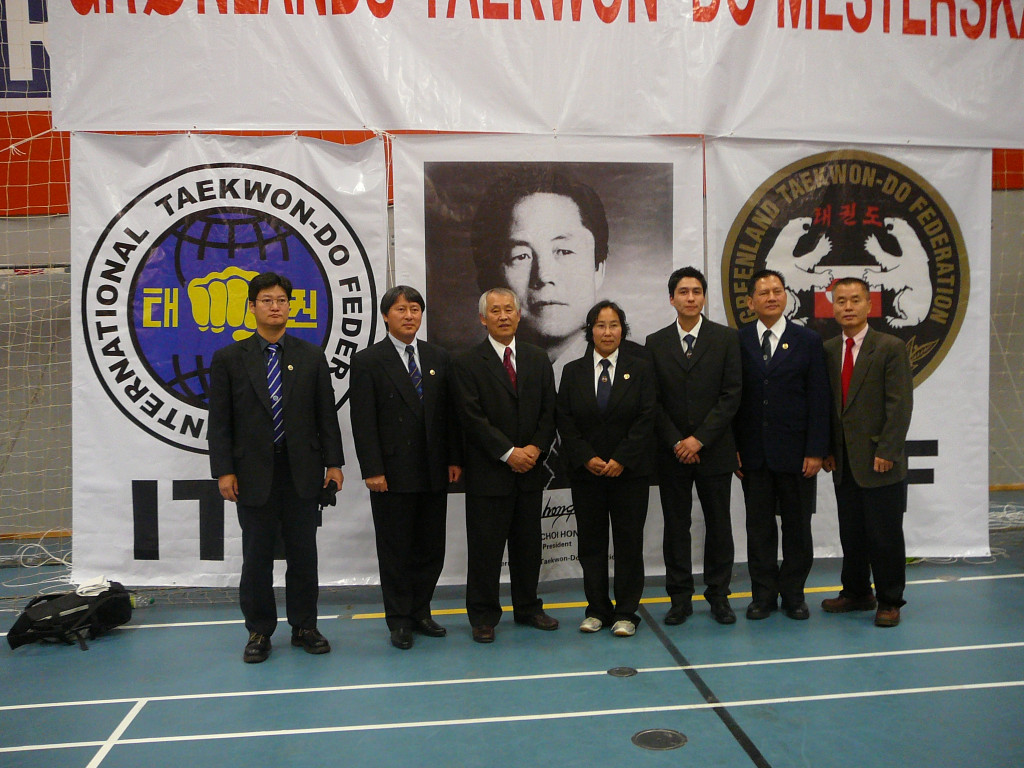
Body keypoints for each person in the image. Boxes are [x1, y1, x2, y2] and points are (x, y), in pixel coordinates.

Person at [208, 271, 344, 664]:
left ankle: (305, 626)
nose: (275, 307)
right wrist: (224, 470)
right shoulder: (229, 359)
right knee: (257, 557)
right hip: (252, 475)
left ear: (290, 307)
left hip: (302, 472)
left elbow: (326, 416)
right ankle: (259, 630)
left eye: (282, 300)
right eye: (267, 300)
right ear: (251, 307)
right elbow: (220, 422)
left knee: (303, 555)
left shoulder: (311, 356)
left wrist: (333, 464)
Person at [349, 285, 463, 651]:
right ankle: (399, 620)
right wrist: (372, 469)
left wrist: (454, 458)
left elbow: (450, 415)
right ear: (386, 316)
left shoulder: (438, 356)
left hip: (434, 470)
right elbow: (362, 421)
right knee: (396, 550)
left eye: (415, 309)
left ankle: (421, 611)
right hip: (391, 474)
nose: (409, 315)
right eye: (401, 309)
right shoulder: (368, 361)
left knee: (430, 548)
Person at [452, 287, 559, 643]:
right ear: (483, 319)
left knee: (528, 548)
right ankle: (483, 616)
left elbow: (549, 411)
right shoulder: (467, 363)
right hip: (489, 473)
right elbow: (471, 418)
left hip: (530, 471)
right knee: (485, 550)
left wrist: (535, 449)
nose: (503, 316)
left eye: (509, 309)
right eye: (495, 310)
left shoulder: (537, 358)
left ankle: (528, 607)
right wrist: (508, 452)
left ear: (519, 314)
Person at [646, 266, 742, 626]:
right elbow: (652, 400)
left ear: (704, 297)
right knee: (676, 526)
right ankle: (679, 598)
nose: (690, 298)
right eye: (683, 292)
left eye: (696, 292)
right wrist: (677, 441)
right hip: (672, 453)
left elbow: (731, 395)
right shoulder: (655, 343)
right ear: (671, 299)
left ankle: (719, 595)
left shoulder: (726, 338)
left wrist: (699, 439)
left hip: (714, 449)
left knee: (719, 524)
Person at [557, 301, 656, 638]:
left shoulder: (640, 369)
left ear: (622, 330)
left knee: (628, 543)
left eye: (614, 325)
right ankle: (597, 609)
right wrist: (586, 457)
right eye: (600, 325)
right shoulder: (572, 371)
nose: (608, 332)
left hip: (629, 474)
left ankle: (626, 612)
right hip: (588, 475)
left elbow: (647, 417)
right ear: (591, 331)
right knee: (592, 545)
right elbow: (564, 420)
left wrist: (621, 458)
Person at [735, 269, 830, 622]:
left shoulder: (808, 340)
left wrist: (816, 450)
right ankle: (762, 596)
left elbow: (819, 398)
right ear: (751, 302)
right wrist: (734, 448)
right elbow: (732, 400)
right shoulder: (738, 341)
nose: (772, 297)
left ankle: (793, 595)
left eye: (777, 291)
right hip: (753, 454)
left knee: (797, 529)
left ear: (786, 296)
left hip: (797, 454)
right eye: (764, 293)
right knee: (759, 529)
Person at [821, 277, 913, 627]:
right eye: (841, 300)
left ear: (869, 304)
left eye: (855, 300)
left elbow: (899, 405)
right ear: (833, 306)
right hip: (844, 462)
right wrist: (827, 449)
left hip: (880, 460)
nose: (848, 307)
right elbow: (828, 406)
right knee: (852, 534)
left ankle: (889, 600)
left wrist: (888, 449)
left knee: (885, 536)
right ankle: (857, 592)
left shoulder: (890, 347)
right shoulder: (829, 349)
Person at [470, 166, 608, 378]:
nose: (544, 276)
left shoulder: (638, 367)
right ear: (491, 277)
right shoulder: (470, 372)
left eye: (564, 251)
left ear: (598, 269)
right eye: (521, 256)